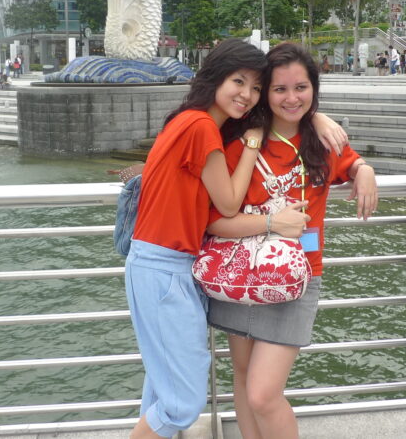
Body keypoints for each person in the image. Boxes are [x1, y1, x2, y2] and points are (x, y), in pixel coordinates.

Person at [125, 39, 346, 439]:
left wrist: (319, 121)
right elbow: (226, 207)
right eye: (238, 82)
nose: (247, 95)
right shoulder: (201, 127)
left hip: (172, 264)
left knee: (164, 390)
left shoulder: (197, 123)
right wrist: (254, 146)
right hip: (166, 266)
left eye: (256, 87)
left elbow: (305, 123)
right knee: (181, 404)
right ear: (214, 78)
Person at [205, 42, 377, 439]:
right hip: (241, 271)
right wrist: (271, 223)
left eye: (301, 87)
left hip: (299, 276)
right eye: (279, 89)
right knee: (244, 379)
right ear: (265, 93)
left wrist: (364, 169)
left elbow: (350, 162)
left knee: (264, 394)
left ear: (314, 89)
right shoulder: (242, 144)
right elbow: (214, 219)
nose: (291, 97)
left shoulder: (324, 141)